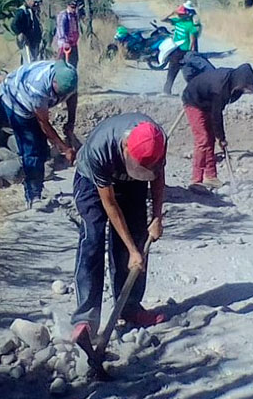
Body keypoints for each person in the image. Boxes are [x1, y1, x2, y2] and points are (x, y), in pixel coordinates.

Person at [70, 114, 168, 351]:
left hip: (132, 185)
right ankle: (85, 317)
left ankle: (130, 308)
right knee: (92, 238)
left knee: (136, 236)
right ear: (125, 146)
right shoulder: (100, 149)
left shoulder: (158, 141)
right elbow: (110, 205)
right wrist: (134, 251)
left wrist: (156, 216)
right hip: (92, 181)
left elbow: (157, 180)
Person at [0, 59, 78, 209]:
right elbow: (44, 124)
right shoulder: (38, 88)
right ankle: (33, 196)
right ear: (53, 82)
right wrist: (64, 148)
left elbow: (73, 96)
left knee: (42, 148)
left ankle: (38, 185)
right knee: (32, 149)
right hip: (16, 101)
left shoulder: (69, 75)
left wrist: (70, 123)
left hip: (34, 102)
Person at [181, 63, 253, 190]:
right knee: (203, 139)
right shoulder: (220, 87)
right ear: (241, 81)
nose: (247, 89)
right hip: (193, 100)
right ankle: (196, 179)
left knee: (210, 139)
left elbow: (217, 110)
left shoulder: (234, 87)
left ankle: (210, 176)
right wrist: (221, 138)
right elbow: (217, 115)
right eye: (246, 86)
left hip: (207, 102)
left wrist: (218, 137)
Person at [56, 0, 82, 140]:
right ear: (67, 6)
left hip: (74, 45)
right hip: (65, 46)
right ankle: (61, 93)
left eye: (75, 6)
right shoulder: (63, 15)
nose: (73, 9)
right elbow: (61, 30)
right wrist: (65, 43)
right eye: (71, 6)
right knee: (63, 69)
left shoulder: (74, 16)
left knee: (73, 67)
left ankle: (71, 91)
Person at [162, 5, 202, 95]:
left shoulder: (190, 25)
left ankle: (194, 92)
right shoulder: (177, 21)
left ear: (186, 15)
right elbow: (163, 20)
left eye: (181, 14)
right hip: (175, 50)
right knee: (171, 71)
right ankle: (166, 91)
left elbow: (192, 40)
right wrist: (172, 12)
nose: (179, 15)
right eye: (179, 14)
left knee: (188, 74)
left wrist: (191, 52)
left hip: (185, 51)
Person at [11, 0, 44, 64]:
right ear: (29, 0)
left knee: (35, 62)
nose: (36, 4)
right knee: (29, 62)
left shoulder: (33, 11)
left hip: (34, 41)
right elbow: (14, 24)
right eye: (35, 2)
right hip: (26, 42)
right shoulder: (22, 11)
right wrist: (20, 33)